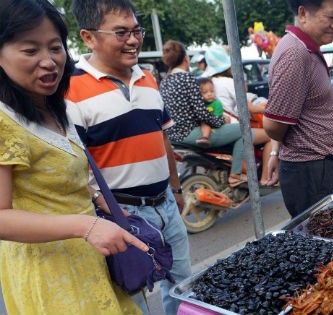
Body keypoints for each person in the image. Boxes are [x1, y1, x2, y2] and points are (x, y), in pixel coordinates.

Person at [0, 0, 148, 314]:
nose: (49, 61)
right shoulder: (3, 121)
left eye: (55, 47)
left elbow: (55, 179)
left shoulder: (52, 106)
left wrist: (96, 197)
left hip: (92, 259)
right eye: (30, 51)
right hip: (51, 275)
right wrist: (86, 226)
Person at [67, 1, 192, 315]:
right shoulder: (72, 91)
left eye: (137, 31)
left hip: (166, 205)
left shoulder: (148, 77)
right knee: (135, 299)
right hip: (123, 215)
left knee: (183, 288)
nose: (134, 40)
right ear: (89, 37)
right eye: (121, 33)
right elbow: (75, 167)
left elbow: (163, 138)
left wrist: (175, 191)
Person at [263, 0, 333, 217]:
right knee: (315, 234)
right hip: (309, 169)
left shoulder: (305, 50)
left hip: (316, 166)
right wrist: (278, 150)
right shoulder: (295, 54)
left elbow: (287, 109)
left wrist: (275, 151)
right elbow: (274, 124)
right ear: (303, 13)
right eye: (331, 17)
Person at [159, 40, 248, 187]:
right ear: (186, 59)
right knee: (243, 130)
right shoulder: (187, 79)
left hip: (172, 136)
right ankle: (235, 175)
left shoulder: (165, 81)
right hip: (189, 134)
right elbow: (201, 113)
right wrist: (221, 121)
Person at [203, 46, 274, 186]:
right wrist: (268, 110)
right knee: (270, 136)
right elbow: (247, 106)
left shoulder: (208, 83)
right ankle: (265, 178)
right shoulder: (228, 82)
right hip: (232, 128)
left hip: (214, 127)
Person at [195, 77, 225, 148]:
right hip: (206, 123)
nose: (209, 94)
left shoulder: (217, 103)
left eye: (212, 91)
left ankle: (205, 138)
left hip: (215, 122)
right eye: (205, 92)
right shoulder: (199, 104)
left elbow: (215, 118)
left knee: (204, 122)